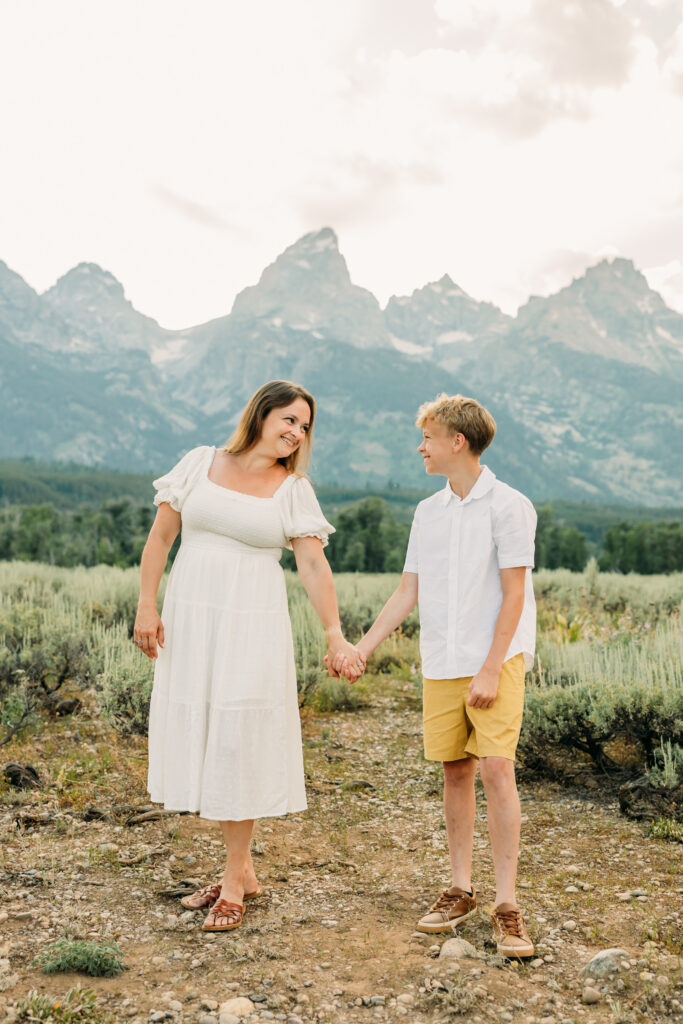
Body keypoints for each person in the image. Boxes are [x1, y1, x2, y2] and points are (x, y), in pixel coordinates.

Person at [133, 380, 364, 933]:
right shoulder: (199, 463)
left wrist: (335, 633)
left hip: (252, 623)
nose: (296, 432)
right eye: (288, 419)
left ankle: (234, 884)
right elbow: (161, 539)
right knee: (211, 734)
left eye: (305, 426)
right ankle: (244, 870)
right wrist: (146, 604)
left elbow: (313, 566)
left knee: (237, 739)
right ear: (260, 414)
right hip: (192, 618)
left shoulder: (293, 489)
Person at [334, 393, 537, 958]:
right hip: (443, 663)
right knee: (455, 772)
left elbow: (516, 594)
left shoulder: (510, 506)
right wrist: (363, 647)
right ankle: (460, 890)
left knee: (497, 769)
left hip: (495, 659)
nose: (419, 446)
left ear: (458, 442)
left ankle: (507, 905)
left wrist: (493, 667)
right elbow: (408, 590)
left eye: (427, 436)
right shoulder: (428, 512)